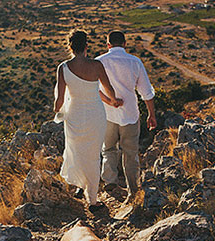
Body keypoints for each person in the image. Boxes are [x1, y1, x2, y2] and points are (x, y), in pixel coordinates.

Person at [54, 30, 122, 213]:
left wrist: (57, 110)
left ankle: (79, 185)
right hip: (95, 114)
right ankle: (92, 199)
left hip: (74, 116)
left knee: (77, 151)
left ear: (69, 47)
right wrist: (114, 101)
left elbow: (59, 101)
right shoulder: (97, 65)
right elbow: (109, 90)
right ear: (86, 46)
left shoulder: (63, 68)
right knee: (93, 155)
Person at [96, 31, 157, 199]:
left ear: (108, 45)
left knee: (108, 149)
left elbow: (94, 89)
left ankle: (110, 182)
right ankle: (133, 189)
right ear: (124, 44)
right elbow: (147, 92)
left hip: (107, 114)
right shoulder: (135, 62)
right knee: (130, 153)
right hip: (130, 114)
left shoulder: (99, 62)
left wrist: (110, 102)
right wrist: (151, 114)